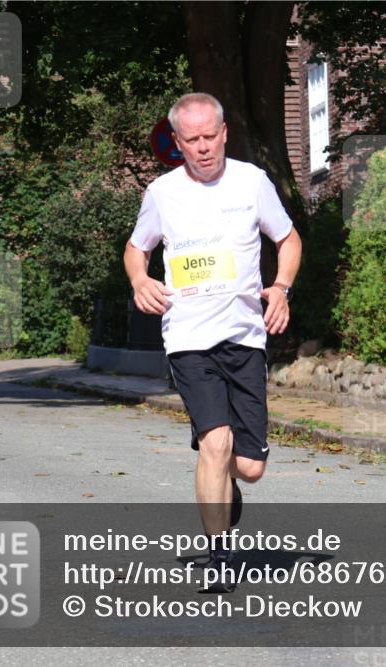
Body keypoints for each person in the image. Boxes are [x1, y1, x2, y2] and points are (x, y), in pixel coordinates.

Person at [124, 92, 302, 592]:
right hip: (188, 337)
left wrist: (281, 288)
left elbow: (287, 239)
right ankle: (220, 555)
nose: (203, 148)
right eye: (192, 140)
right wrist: (140, 281)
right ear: (176, 143)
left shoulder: (252, 182)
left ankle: (221, 476)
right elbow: (137, 250)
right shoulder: (162, 192)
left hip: (245, 335)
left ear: (225, 133)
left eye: (210, 136)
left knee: (250, 467)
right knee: (217, 442)